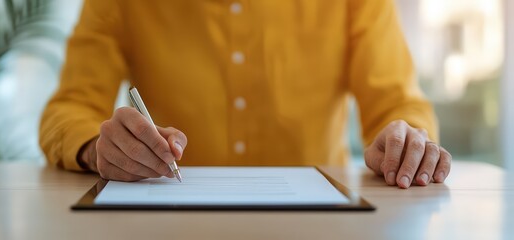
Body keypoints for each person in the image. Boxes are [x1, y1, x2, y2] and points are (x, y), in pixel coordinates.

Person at [39, 0, 451, 189]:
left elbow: (398, 102)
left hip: (320, 231)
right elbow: (70, 107)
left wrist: (405, 141)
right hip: (167, 227)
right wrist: (97, 149)